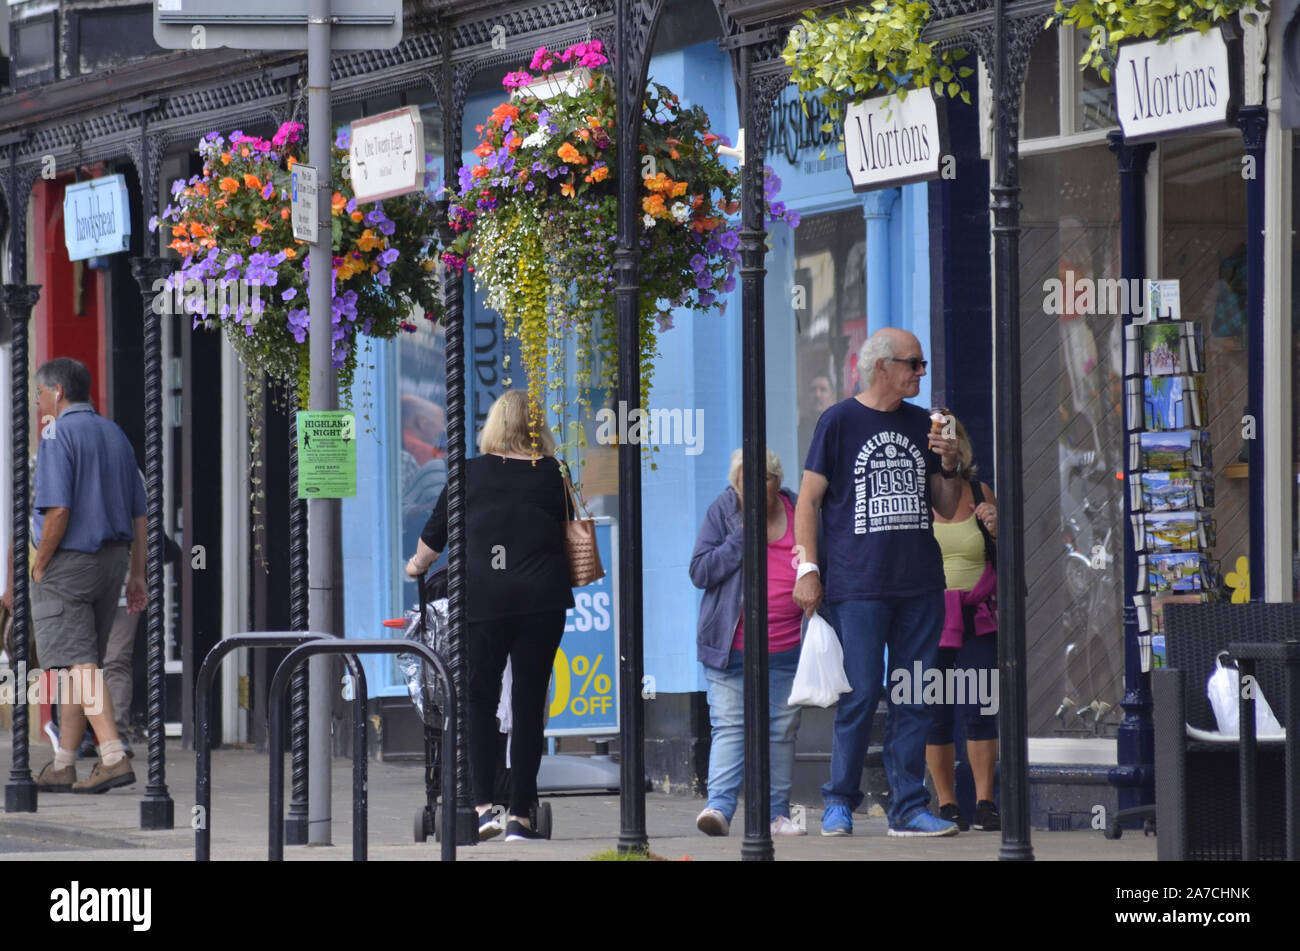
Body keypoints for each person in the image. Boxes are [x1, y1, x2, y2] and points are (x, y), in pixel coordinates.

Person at [793, 327, 964, 837]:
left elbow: (949, 506)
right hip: (857, 583)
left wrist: (950, 461)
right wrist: (808, 569)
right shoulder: (839, 421)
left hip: (919, 584)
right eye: (913, 363)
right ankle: (838, 801)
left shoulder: (925, 426)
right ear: (881, 367)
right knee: (861, 694)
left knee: (913, 697)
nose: (921, 372)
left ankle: (908, 807)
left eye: (922, 364)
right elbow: (808, 501)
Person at [405, 389, 573, 842]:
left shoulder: (469, 474)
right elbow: (568, 528)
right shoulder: (555, 474)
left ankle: (482, 808)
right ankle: (520, 815)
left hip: (483, 600)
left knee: (477, 700)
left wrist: (415, 566)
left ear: (494, 427)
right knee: (528, 702)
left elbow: (433, 538)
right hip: (542, 600)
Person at [1, 358, 146, 794]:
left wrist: (39, 564)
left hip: (69, 562)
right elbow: (140, 511)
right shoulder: (115, 434)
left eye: (41, 394)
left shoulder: (56, 433)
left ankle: (113, 756)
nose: (39, 403)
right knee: (78, 664)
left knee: (78, 666)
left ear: (58, 392)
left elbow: (57, 510)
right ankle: (63, 763)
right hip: (113, 561)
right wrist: (136, 573)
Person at [690, 449, 806, 838]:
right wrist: (741, 536)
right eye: (743, 482)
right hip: (731, 648)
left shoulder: (797, 510)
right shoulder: (723, 511)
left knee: (780, 731)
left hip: (787, 645)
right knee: (730, 727)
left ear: (778, 481)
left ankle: (776, 815)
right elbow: (700, 571)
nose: (752, 489)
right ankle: (718, 809)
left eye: (763, 480)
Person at [924, 410, 1000, 832]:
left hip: (977, 617)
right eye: (934, 438)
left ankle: (986, 801)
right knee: (935, 710)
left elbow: (1001, 554)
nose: (942, 444)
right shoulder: (920, 497)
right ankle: (948, 803)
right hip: (931, 618)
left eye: (948, 436)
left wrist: (995, 527)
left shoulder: (977, 489)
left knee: (980, 708)